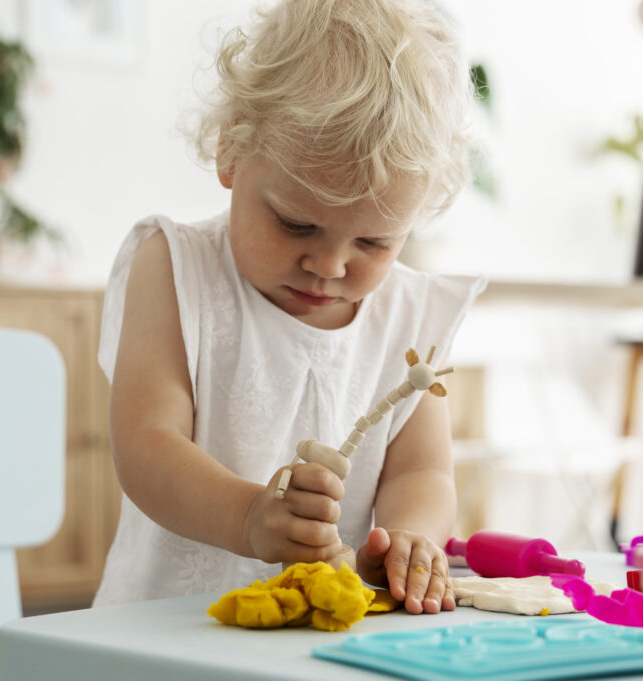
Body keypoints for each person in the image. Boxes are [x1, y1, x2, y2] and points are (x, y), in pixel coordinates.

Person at [94, 0, 486, 616]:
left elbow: (421, 473)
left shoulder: (411, 316)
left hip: (318, 642)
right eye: (295, 224)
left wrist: (412, 537)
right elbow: (147, 442)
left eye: (373, 242)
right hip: (164, 633)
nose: (330, 266)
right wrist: (248, 517)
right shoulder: (175, 268)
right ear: (230, 151)